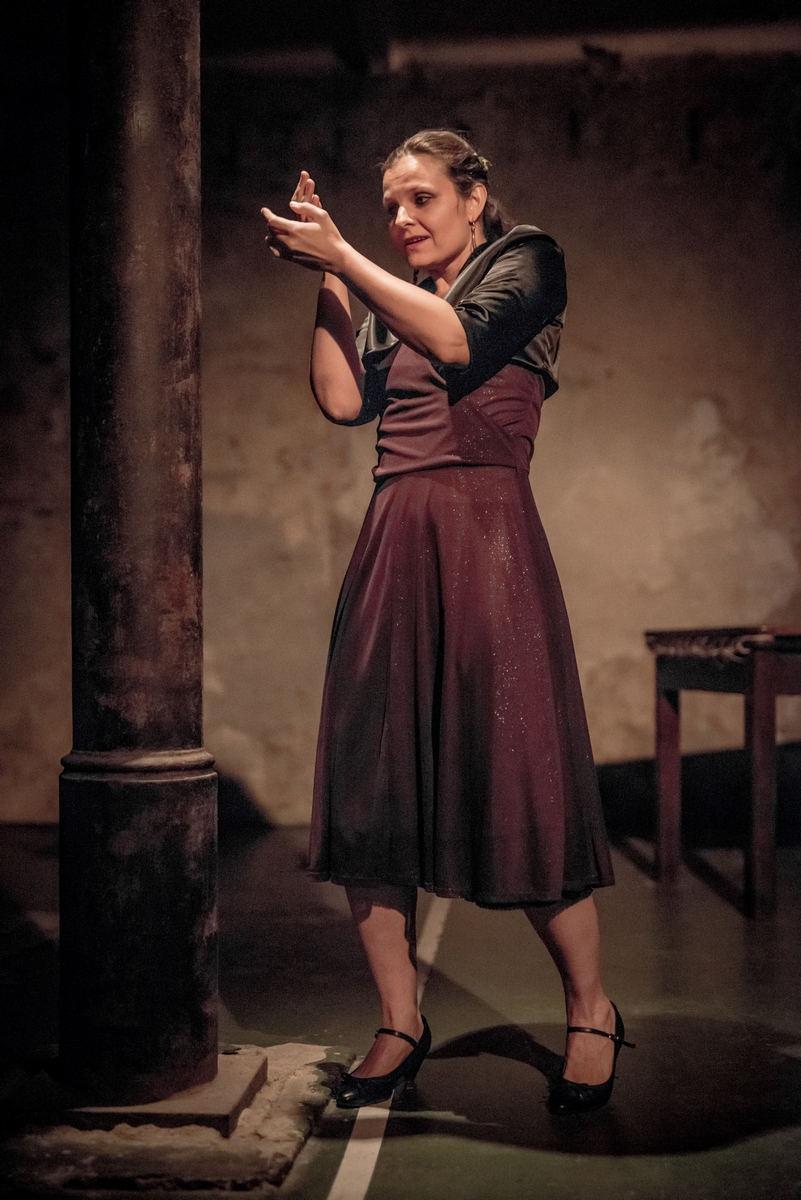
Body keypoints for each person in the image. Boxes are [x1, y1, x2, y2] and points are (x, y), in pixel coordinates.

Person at [261, 129, 632, 1117]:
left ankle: (590, 1010)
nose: (401, 218)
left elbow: (462, 342)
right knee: (372, 783)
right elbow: (340, 397)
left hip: (487, 536)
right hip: (396, 537)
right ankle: (398, 1021)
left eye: (420, 198)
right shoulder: (393, 298)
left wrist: (347, 255)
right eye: (388, 205)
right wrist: (327, 276)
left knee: (520, 773)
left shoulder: (527, 261)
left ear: (474, 198)